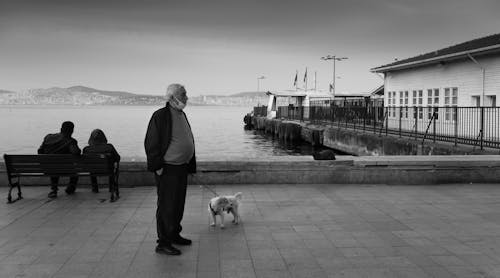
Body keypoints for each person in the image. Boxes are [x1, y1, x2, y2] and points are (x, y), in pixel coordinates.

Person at [144, 83, 196, 256]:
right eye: (183, 94)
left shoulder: (181, 114)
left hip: (181, 167)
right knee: (167, 206)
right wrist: (157, 166)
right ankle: (163, 243)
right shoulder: (160, 116)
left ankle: (174, 234)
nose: (186, 97)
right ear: (173, 97)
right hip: (167, 169)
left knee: (178, 204)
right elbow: (151, 143)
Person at [38, 121, 81, 198]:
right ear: (72, 131)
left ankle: (54, 190)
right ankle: (71, 187)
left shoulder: (48, 137)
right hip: (64, 169)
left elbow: (40, 151)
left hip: (47, 168)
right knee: (75, 169)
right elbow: (76, 152)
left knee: (54, 165)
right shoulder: (70, 141)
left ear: (61, 129)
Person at [82, 129, 120, 193]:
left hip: (93, 170)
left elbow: (84, 161)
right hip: (107, 169)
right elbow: (118, 158)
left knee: (92, 167)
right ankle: (111, 187)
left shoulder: (86, 149)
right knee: (112, 167)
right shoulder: (109, 147)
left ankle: (95, 188)